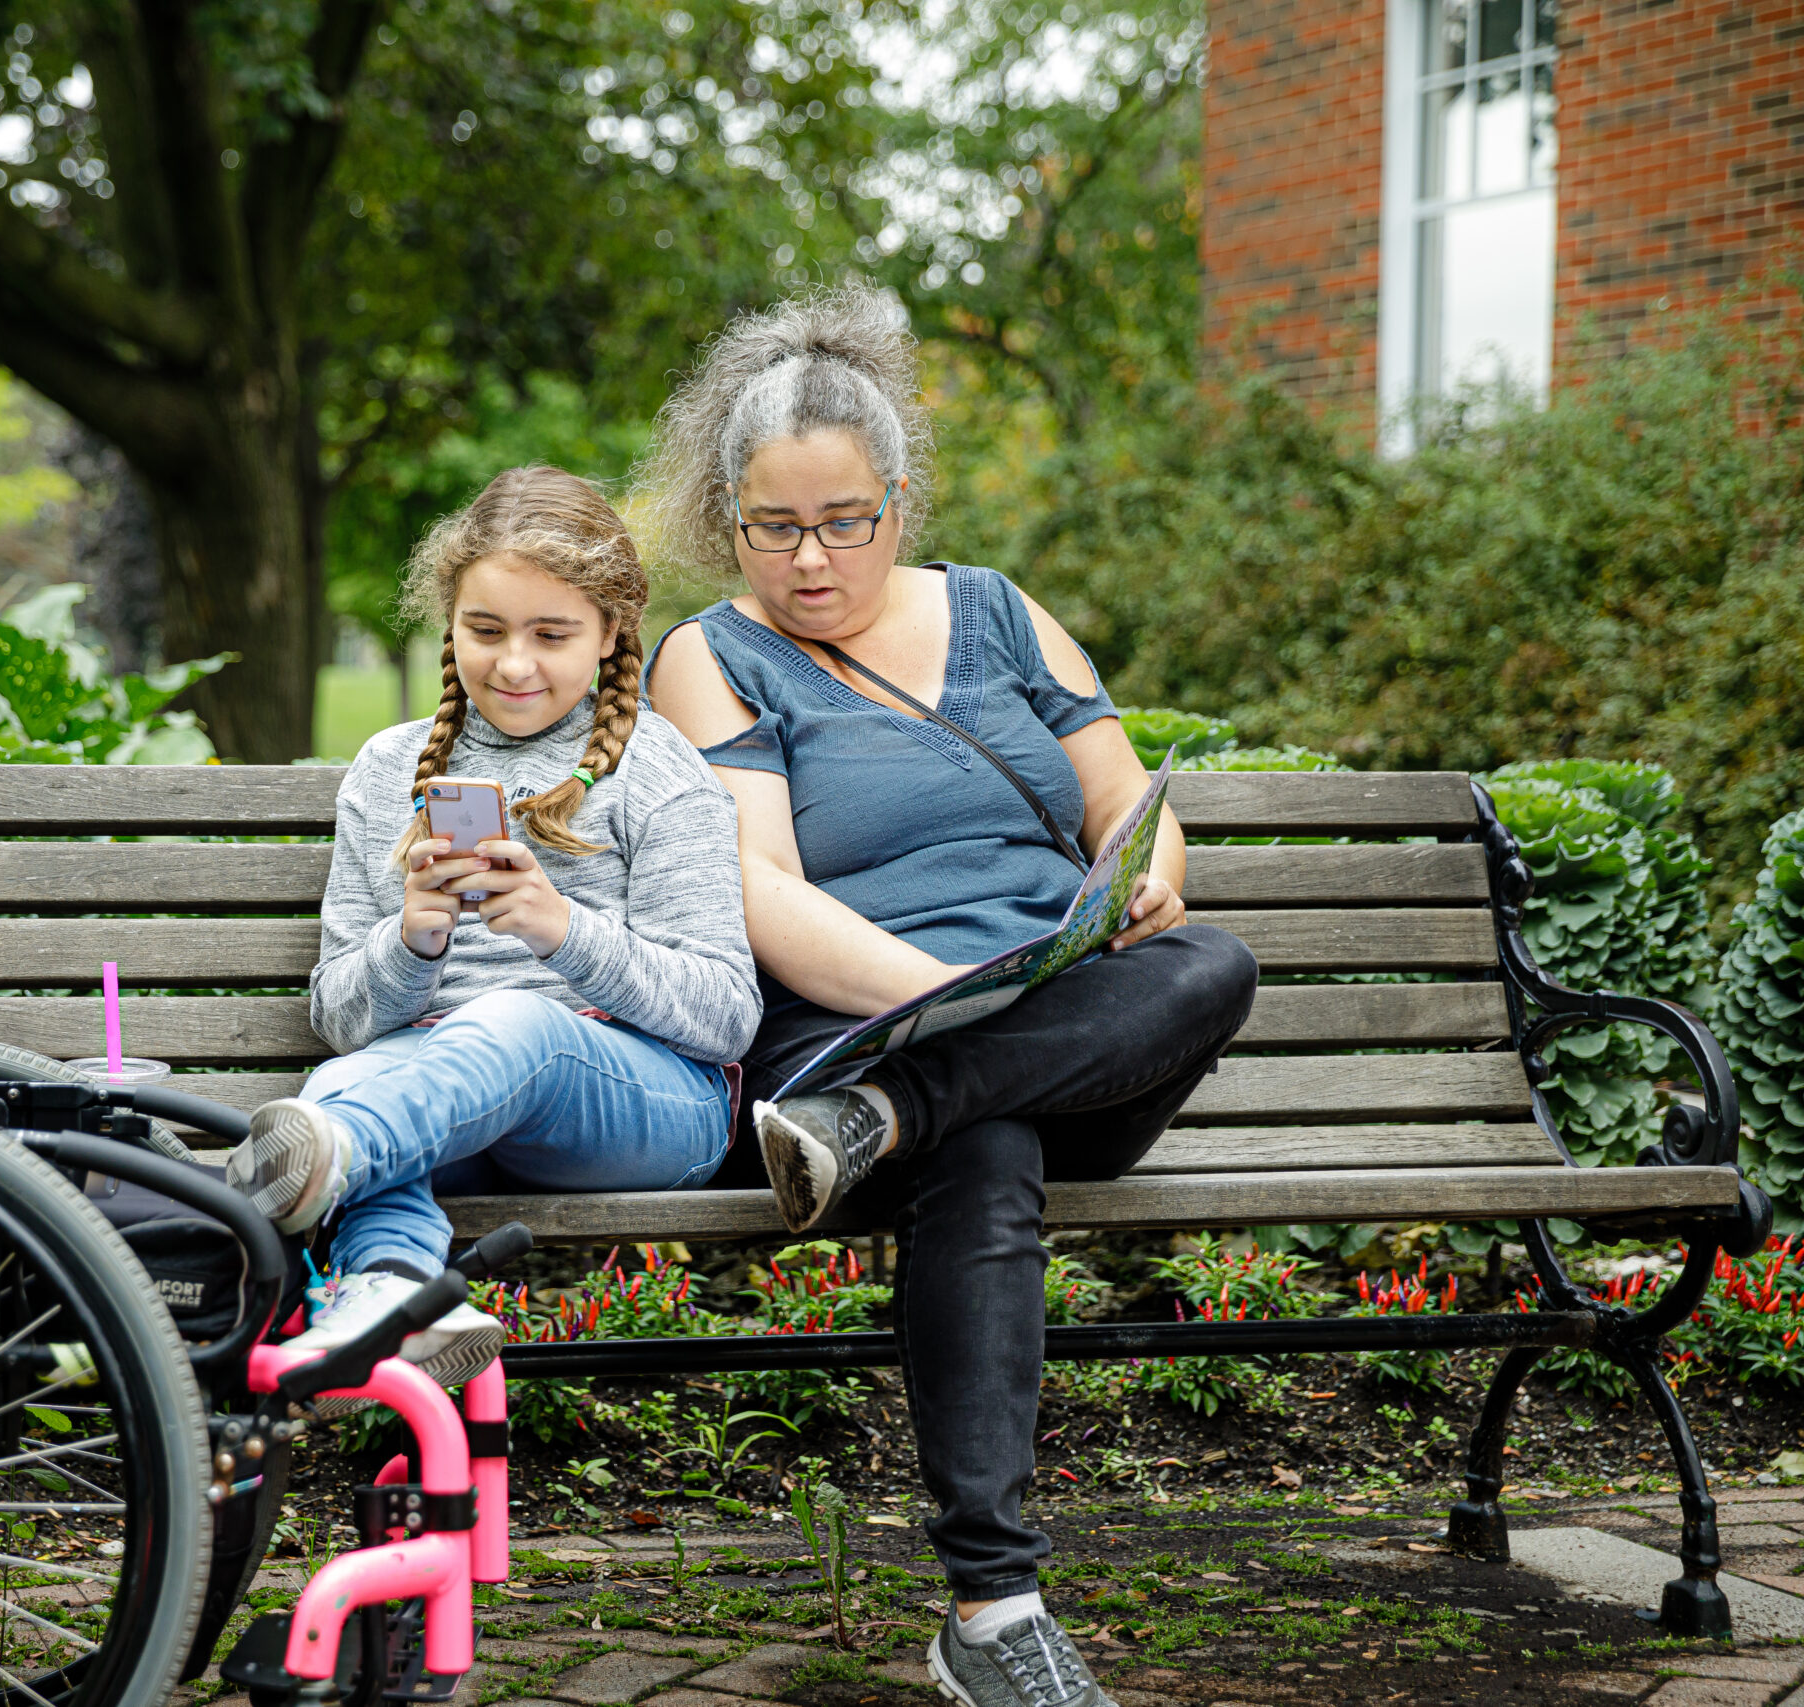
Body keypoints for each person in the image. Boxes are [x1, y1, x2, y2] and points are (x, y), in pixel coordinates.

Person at [642, 287, 1259, 1707]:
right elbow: (759, 891)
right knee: (981, 1146)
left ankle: (894, 1114)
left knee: (1214, 960)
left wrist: (1145, 879)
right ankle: (995, 1609)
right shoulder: (711, 655)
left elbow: (1129, 806)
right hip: (859, 1020)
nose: (809, 557)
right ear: (724, 513)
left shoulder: (999, 613)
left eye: (843, 518)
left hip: (1038, 1036)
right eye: (770, 525)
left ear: (898, 500)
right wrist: (944, 997)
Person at [226, 466, 761, 1385]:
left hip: (648, 1107)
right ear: (450, 624)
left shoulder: (658, 769)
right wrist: (413, 939)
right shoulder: (390, 768)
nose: (514, 663)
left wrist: (564, 931)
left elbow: (726, 1016)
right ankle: (392, 1291)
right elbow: (343, 1015)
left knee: (493, 1033)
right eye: (485, 630)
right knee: (354, 1071)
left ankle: (320, 1159)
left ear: (609, 632)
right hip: (447, 1103)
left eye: (551, 634)